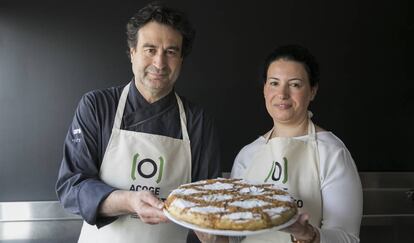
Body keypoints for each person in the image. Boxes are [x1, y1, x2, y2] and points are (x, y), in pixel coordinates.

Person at [55, 2, 221, 243]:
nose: (160, 63)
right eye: (150, 49)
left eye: (171, 52)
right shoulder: (98, 106)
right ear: (132, 52)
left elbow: (207, 204)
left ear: (182, 59)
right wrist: (128, 201)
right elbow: (71, 186)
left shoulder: (198, 121)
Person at [195, 45, 362, 243]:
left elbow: (348, 238)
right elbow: (235, 237)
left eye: (295, 84)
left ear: (313, 91)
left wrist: (308, 235)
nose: (282, 94)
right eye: (274, 83)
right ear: (265, 89)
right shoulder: (248, 155)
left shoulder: (332, 152)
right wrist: (214, 239)